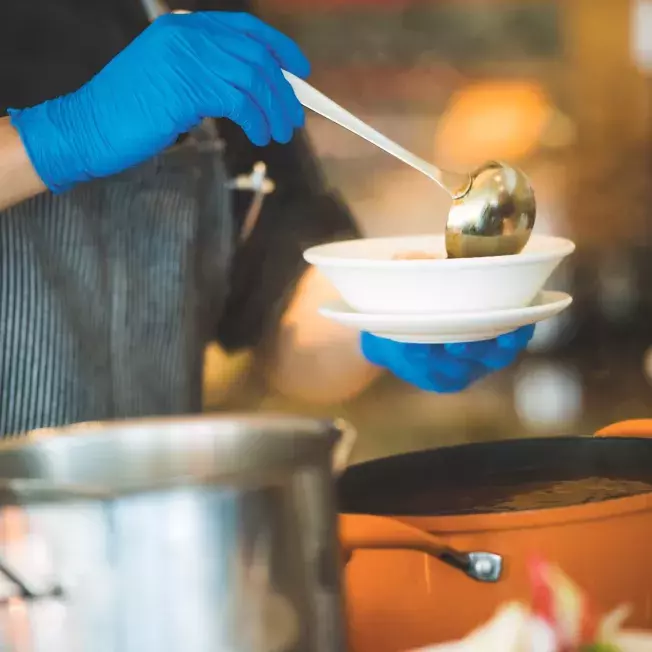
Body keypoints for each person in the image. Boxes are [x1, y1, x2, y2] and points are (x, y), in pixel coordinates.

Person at [0, 4, 533, 436]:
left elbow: (280, 306)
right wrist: (64, 135)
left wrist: (387, 319)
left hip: (160, 529)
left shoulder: (198, 20)